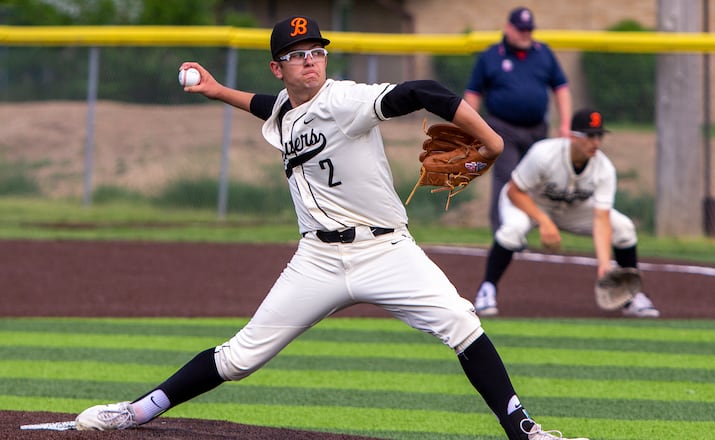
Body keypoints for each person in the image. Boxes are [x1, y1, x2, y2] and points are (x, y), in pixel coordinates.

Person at [73, 15, 588, 440]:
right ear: (279, 68)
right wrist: (216, 90)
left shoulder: (345, 100)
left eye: (316, 50)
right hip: (316, 260)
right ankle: (138, 411)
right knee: (239, 357)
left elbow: (423, 90)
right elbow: (266, 106)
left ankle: (523, 429)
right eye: (297, 54)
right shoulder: (285, 107)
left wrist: (492, 142)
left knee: (461, 322)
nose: (310, 59)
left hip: (387, 250)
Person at [473, 109, 660, 319]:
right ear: (572, 136)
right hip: (528, 202)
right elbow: (514, 191)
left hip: (571, 209)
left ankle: (632, 296)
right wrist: (544, 222)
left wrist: (604, 265)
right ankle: (487, 289)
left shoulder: (604, 168)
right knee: (513, 230)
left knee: (623, 227)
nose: (596, 142)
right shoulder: (544, 154)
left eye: (599, 135)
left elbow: (601, 219)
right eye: (589, 135)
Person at [464, 6, 572, 233]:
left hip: (537, 129)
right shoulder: (491, 56)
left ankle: (531, 227)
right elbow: (473, 93)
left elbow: (561, 88)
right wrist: (472, 128)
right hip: (503, 129)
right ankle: (503, 231)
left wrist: (565, 124)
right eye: (521, 29)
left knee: (535, 181)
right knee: (507, 179)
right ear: (508, 28)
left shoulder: (543, 53)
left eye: (529, 29)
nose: (525, 34)